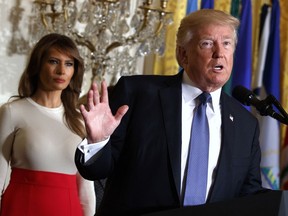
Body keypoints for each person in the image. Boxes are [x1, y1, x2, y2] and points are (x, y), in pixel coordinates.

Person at [75, 9, 267, 216]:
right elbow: (96, 171)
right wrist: (98, 142)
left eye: (227, 43)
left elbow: (249, 197)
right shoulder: (137, 94)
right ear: (183, 54)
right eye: (207, 43)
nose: (219, 52)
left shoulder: (245, 124)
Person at [0, 33, 95, 216]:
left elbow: (86, 187)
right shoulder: (12, 112)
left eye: (69, 64)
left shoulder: (81, 120)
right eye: (53, 61)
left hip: (68, 210)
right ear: (38, 65)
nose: (61, 71)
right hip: (21, 208)